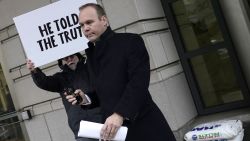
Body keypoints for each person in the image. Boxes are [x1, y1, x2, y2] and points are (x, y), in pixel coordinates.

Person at [72, 3, 176, 141]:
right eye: (82, 25)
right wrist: (85, 98)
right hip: (115, 133)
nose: (85, 28)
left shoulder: (130, 41)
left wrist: (120, 114)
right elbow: (103, 92)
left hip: (144, 126)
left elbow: (138, 83)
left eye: (89, 22)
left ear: (104, 20)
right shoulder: (91, 55)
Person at [26, 53, 102, 141]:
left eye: (72, 56)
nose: (69, 59)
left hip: (103, 122)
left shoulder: (90, 69)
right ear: (62, 62)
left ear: (78, 57)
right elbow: (44, 82)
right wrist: (34, 71)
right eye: (66, 58)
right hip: (82, 129)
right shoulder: (60, 78)